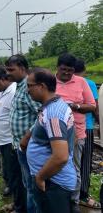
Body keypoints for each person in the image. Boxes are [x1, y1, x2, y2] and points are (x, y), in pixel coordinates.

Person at [26, 68, 76, 213]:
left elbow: (60, 156)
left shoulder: (54, 114)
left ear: (42, 86)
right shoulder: (54, 106)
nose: (27, 90)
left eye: (30, 86)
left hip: (54, 183)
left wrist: (40, 177)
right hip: (51, 180)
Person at [55, 54, 96, 212]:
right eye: (63, 69)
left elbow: (91, 106)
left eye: (70, 70)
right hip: (55, 133)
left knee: (74, 168)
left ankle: (74, 201)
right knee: (57, 165)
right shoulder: (50, 81)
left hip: (77, 132)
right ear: (57, 67)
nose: (66, 73)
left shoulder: (81, 82)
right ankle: (59, 199)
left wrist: (75, 106)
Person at [0, 66, 26, 213]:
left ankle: (14, 195)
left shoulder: (14, 91)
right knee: (7, 165)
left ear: (3, 80)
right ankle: (12, 191)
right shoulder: (4, 90)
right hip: (0, 137)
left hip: (8, 137)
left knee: (13, 169)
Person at [6, 54, 41, 213]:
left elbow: (41, 115)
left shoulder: (29, 88)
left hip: (28, 146)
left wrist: (27, 137)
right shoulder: (19, 86)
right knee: (25, 183)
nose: (8, 73)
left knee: (31, 185)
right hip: (20, 145)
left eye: (11, 69)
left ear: (22, 69)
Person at [75, 59, 101, 210]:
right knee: (85, 162)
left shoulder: (65, 82)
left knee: (72, 161)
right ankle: (83, 194)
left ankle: (71, 192)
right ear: (83, 70)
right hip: (87, 127)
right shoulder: (89, 83)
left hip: (70, 127)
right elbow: (94, 107)